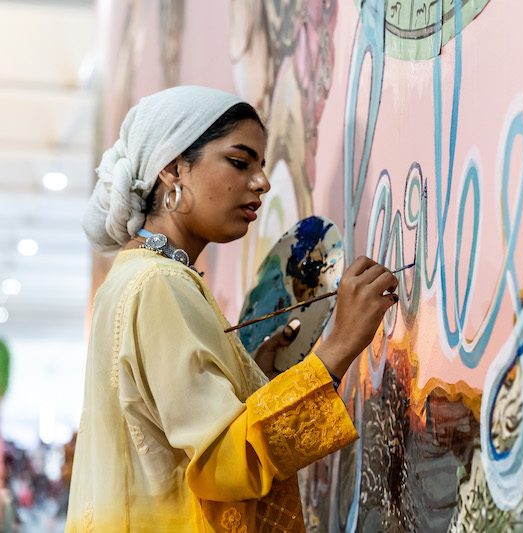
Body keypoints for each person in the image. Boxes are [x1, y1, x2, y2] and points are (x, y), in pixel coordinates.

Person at [66, 86, 398, 532]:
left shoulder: (132, 277)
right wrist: (337, 348)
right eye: (240, 163)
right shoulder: (159, 284)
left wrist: (250, 379)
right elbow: (226, 462)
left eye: (260, 166)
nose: (261, 182)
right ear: (173, 168)